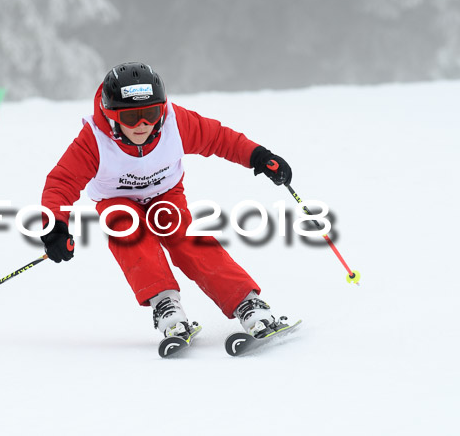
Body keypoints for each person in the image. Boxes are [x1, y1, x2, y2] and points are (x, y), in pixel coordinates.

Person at [40, 62, 293, 341]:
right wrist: (55, 228)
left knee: (186, 237)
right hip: (116, 199)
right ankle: (165, 304)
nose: (142, 125)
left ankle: (246, 302)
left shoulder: (175, 123)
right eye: (130, 117)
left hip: (165, 194)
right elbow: (61, 183)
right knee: (128, 231)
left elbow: (220, 138)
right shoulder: (94, 140)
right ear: (111, 116)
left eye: (149, 114)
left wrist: (257, 156)